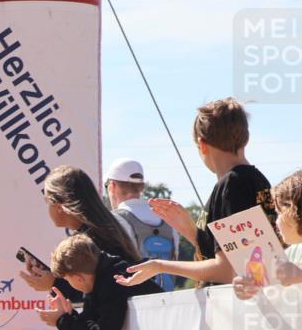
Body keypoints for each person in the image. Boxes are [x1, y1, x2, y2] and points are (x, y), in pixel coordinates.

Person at [119, 98, 277, 288]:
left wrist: (160, 266)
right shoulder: (258, 181)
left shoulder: (232, 185)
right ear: (246, 138)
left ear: (202, 145)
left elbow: (231, 270)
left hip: (237, 310)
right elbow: (254, 261)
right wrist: (193, 233)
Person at [21, 165, 140, 302]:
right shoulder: (104, 230)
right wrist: (52, 279)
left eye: (47, 201)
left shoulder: (90, 241)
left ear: (59, 206)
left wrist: (54, 284)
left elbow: (100, 292)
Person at [38, 234, 161, 330]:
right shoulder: (101, 276)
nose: (68, 283)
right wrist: (69, 315)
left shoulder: (114, 282)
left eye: (66, 279)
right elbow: (92, 321)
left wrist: (62, 321)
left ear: (78, 279)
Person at [104, 158, 179, 291]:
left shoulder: (114, 220)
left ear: (112, 186)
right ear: (142, 186)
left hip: (134, 306)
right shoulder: (169, 219)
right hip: (169, 302)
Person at [234, 169, 302, 300]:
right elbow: (263, 282)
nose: (276, 221)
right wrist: (245, 287)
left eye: (279, 212)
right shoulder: (290, 254)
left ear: (293, 212)